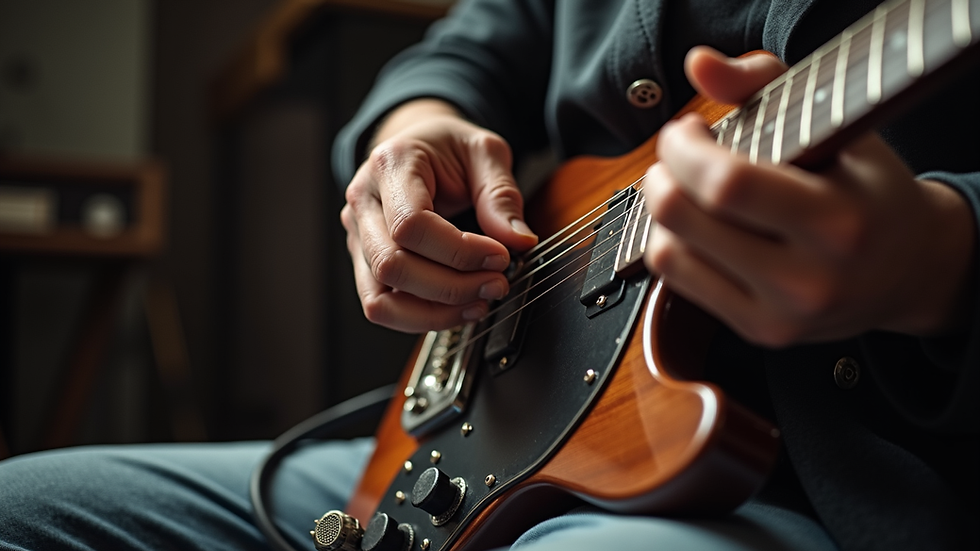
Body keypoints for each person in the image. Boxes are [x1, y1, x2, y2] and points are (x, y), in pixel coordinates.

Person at [1, 0, 977, 550]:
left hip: (830, 498)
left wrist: (936, 259)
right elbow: (476, 40)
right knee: (25, 512)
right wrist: (409, 132)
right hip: (473, 434)